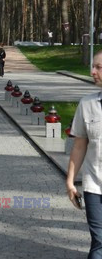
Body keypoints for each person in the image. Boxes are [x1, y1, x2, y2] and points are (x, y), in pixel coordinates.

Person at [67, 50, 102, 258]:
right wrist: (70, 181)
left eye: (98, 67)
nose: (92, 72)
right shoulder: (87, 104)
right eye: (93, 67)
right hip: (94, 186)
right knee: (99, 242)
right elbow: (79, 146)